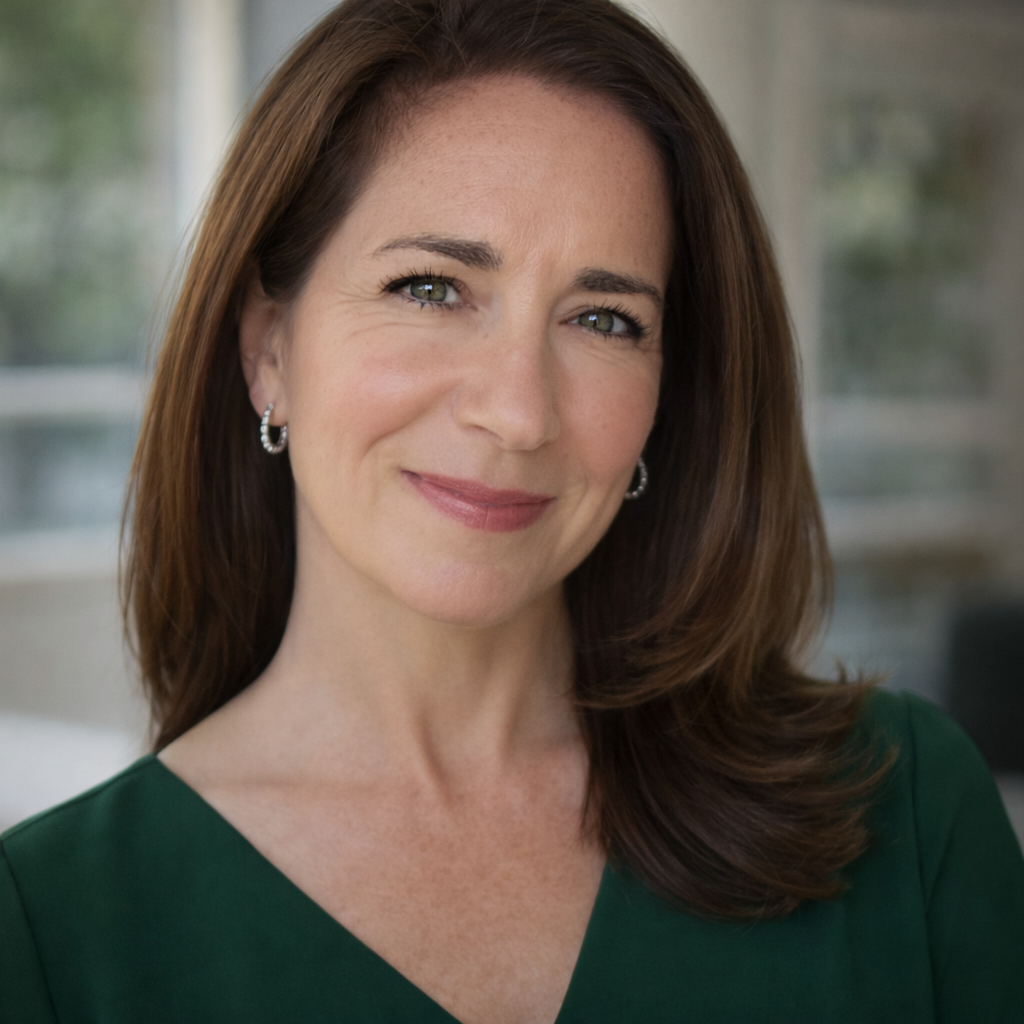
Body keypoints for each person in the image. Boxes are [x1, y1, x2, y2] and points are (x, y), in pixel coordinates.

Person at [2, 0, 1022, 1020]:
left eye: (602, 319)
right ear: (269, 348)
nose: (519, 410)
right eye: (431, 288)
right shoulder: (46, 929)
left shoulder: (904, 811)